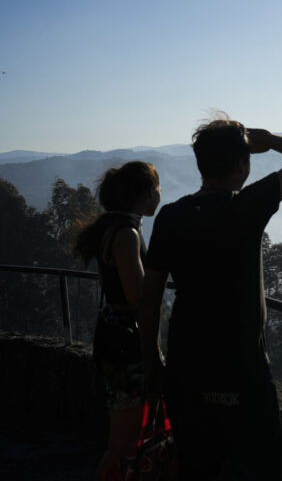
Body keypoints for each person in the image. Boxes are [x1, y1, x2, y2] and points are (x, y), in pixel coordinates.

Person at [140, 113, 282, 480]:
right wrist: (269, 140)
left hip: (186, 367)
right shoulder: (246, 206)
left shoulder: (170, 216)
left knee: (197, 468)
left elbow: (151, 295)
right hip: (242, 368)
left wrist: (152, 357)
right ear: (242, 165)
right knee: (260, 466)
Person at [73, 161, 162, 480]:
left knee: (127, 440)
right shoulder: (126, 234)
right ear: (148, 193)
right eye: (158, 188)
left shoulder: (114, 229)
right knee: (124, 442)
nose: (160, 194)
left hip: (114, 336)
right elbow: (138, 296)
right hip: (126, 343)